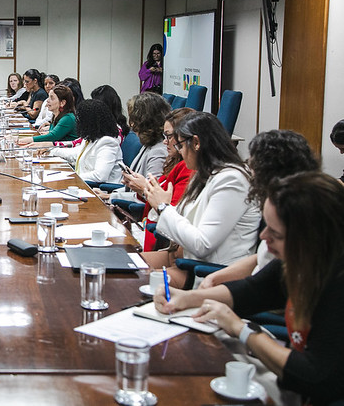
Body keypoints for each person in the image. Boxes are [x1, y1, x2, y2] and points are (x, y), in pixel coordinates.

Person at [154, 172, 344, 405]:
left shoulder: (337, 283)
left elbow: (315, 376)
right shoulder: (300, 261)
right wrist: (187, 297)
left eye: (275, 234)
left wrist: (240, 329)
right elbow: (251, 291)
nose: (264, 238)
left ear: (312, 239)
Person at [142, 112, 261, 285]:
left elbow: (202, 244)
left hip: (207, 273)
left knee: (126, 281)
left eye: (181, 146)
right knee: (120, 266)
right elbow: (184, 221)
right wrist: (162, 205)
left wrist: (163, 207)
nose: (179, 153)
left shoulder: (232, 180)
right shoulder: (205, 174)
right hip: (182, 259)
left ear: (196, 143)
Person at [198, 129, 320, 289]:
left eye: (253, 163)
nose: (250, 170)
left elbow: (264, 286)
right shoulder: (276, 202)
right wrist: (216, 277)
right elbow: (261, 258)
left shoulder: (295, 215)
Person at [120, 108, 195, 251]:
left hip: (161, 241)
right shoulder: (174, 162)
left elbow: (172, 211)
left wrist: (144, 189)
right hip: (149, 231)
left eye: (169, 136)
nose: (165, 142)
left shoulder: (187, 168)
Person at [50, 99, 123, 184]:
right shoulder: (90, 138)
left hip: (99, 190)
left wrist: (69, 176)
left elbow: (100, 176)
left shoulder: (107, 142)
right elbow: (74, 153)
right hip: (84, 184)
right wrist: (52, 151)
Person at [126, 92, 171, 178]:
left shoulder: (159, 151)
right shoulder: (148, 144)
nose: (131, 125)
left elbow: (151, 189)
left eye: (134, 120)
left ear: (144, 120)